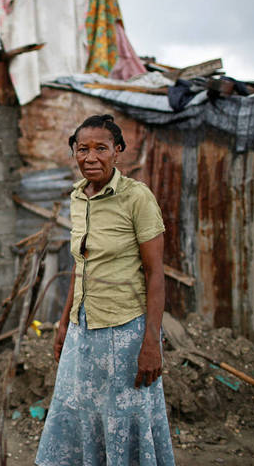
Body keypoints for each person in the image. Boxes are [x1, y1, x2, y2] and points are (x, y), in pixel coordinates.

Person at [36, 114, 176, 465]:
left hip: (125, 333)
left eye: (101, 148)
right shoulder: (78, 198)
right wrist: (65, 322)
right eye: (82, 149)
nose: (91, 157)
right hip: (83, 332)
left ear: (118, 152)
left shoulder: (136, 198)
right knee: (78, 410)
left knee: (123, 417)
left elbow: (155, 273)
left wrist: (151, 343)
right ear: (74, 153)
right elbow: (79, 267)